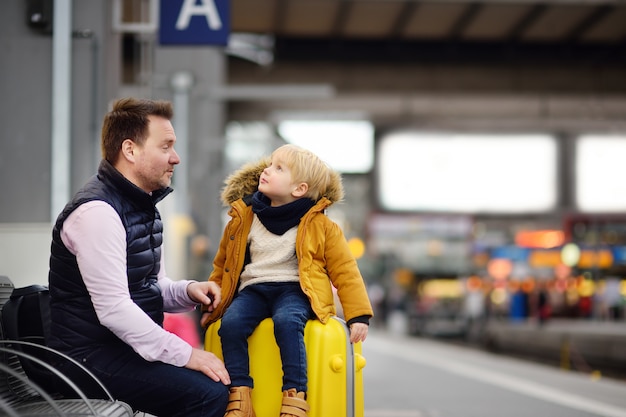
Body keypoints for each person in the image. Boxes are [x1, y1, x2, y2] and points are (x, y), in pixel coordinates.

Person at [48, 97, 230, 417]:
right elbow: (115, 309)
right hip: (88, 360)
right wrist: (188, 354)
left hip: (120, 351)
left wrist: (189, 291)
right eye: (166, 147)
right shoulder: (97, 213)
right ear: (130, 150)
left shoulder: (141, 207)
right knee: (208, 394)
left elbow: (149, 288)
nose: (176, 158)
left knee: (217, 382)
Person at [201, 144, 374, 417]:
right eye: (270, 164)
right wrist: (214, 301)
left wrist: (358, 315)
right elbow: (224, 265)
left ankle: (295, 396)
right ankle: (240, 394)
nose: (266, 170)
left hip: (295, 289)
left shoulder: (321, 226)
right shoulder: (244, 217)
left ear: (299, 189)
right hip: (253, 289)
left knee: (287, 322)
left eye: (278, 168)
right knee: (231, 325)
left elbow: (345, 269)